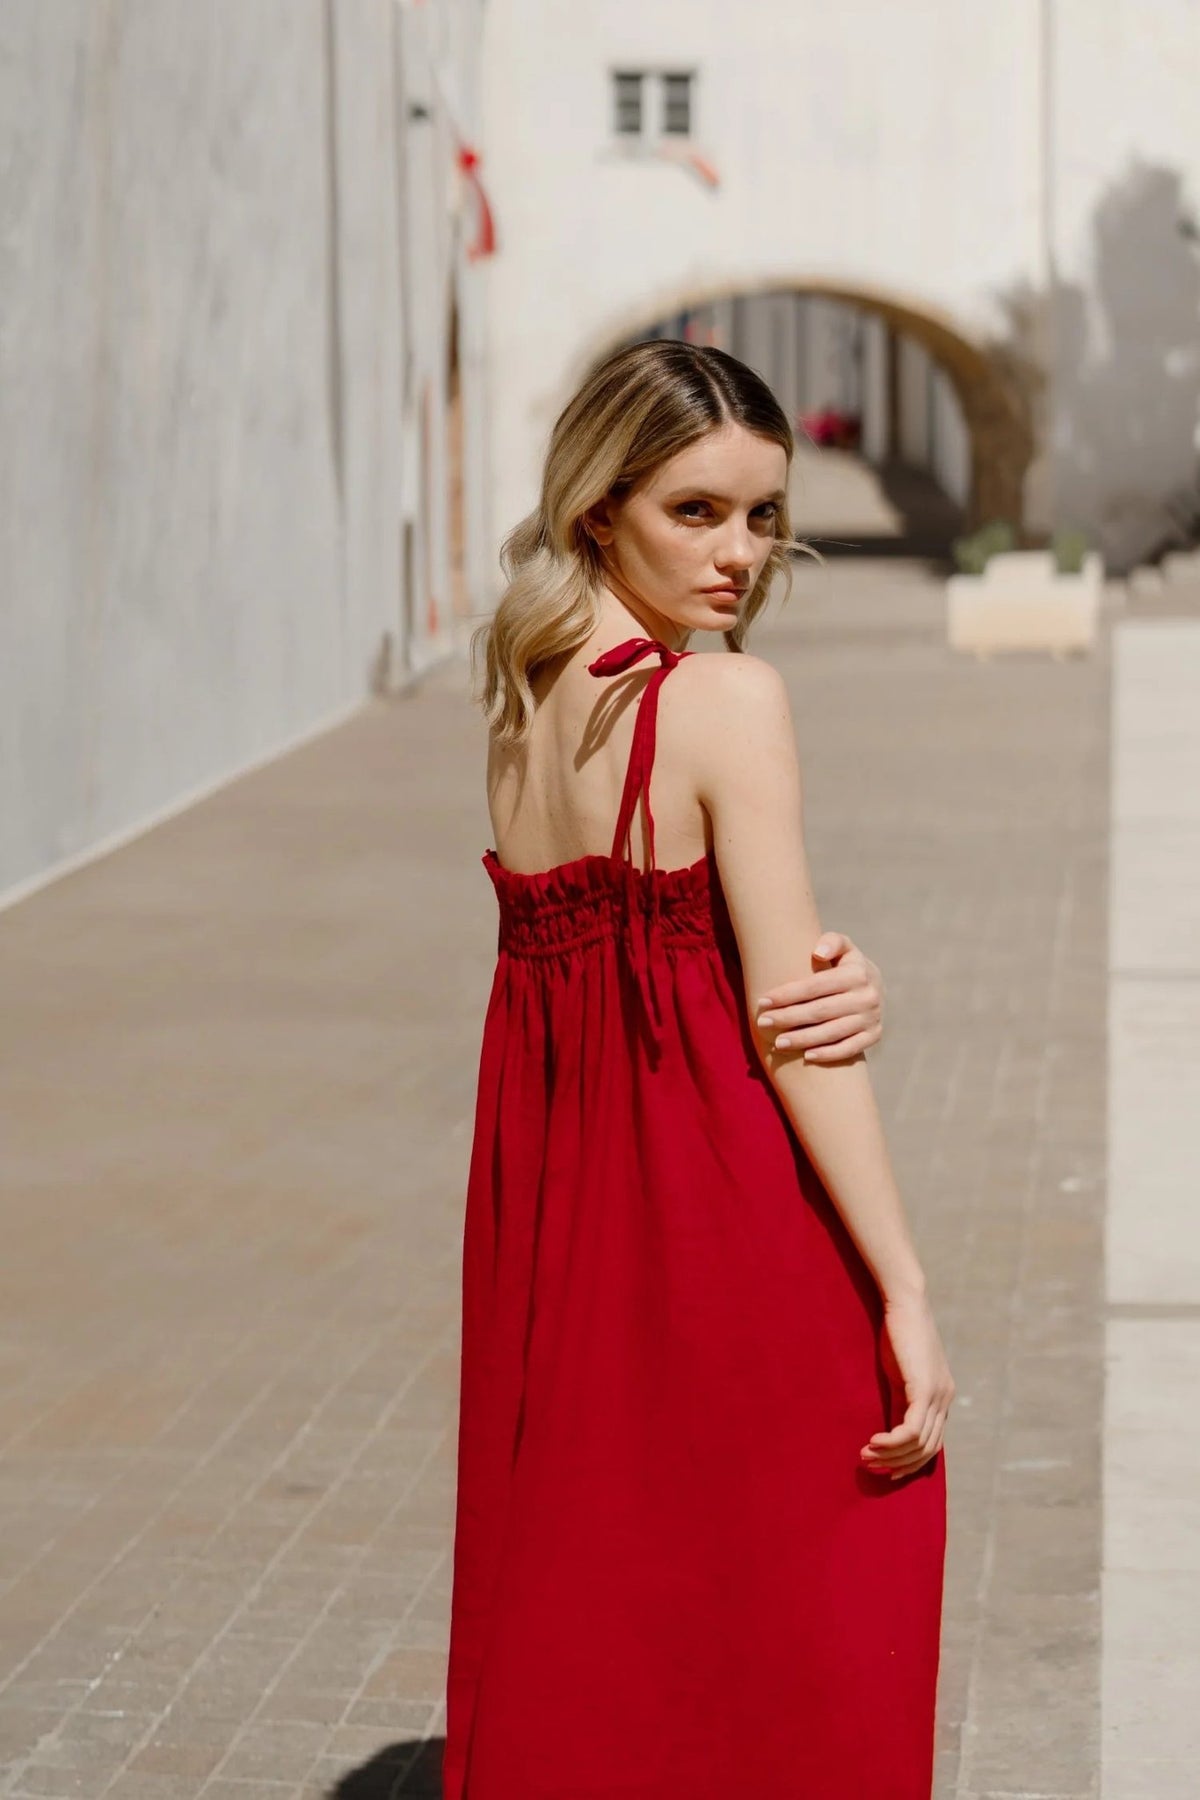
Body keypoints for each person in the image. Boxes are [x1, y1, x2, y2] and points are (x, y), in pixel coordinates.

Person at [444, 341, 952, 1799]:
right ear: (601, 507)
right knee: (842, 1562)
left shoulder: (523, 698)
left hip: (559, 1222)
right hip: (719, 1209)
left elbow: (661, 968)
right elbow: (792, 1026)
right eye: (699, 512)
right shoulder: (726, 704)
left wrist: (816, 976)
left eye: (765, 516)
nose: (742, 554)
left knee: (602, 1582)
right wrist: (906, 1288)